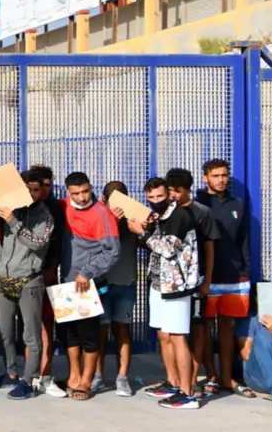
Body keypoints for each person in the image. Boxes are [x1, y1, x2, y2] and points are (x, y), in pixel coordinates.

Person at [129, 177, 201, 410]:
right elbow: (152, 247)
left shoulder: (179, 216)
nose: (155, 201)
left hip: (177, 285)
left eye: (159, 197)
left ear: (169, 194)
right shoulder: (159, 217)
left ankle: (187, 392)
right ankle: (172, 382)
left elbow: (168, 249)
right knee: (163, 334)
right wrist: (146, 228)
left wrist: (142, 233)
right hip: (158, 283)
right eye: (150, 198)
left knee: (179, 337)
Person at [0, 168, 53, 401]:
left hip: (29, 281)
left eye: (36, 190)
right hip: (6, 280)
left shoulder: (45, 216)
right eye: (28, 190)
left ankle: (29, 379)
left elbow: (36, 243)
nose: (33, 194)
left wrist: (13, 222)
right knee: (4, 331)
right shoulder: (10, 210)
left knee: (31, 335)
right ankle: (11, 373)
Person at [56, 172, 119, 401]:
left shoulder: (102, 213)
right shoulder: (61, 207)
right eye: (76, 193)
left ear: (91, 188)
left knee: (89, 335)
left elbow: (112, 251)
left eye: (85, 191)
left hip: (87, 284)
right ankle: (73, 377)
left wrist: (88, 272)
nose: (82, 197)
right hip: (66, 283)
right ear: (67, 192)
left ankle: (86, 381)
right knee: (69, 335)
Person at [196, 159, 252, 396]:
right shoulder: (198, 204)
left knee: (227, 327)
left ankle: (227, 377)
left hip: (234, 277)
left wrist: (244, 270)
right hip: (206, 277)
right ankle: (211, 376)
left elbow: (244, 241)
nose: (220, 179)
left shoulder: (237, 204)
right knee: (206, 327)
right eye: (215, 175)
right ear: (205, 178)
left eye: (224, 175)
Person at [165, 168, 219, 396]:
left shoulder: (201, 212)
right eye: (171, 190)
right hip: (172, 283)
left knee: (197, 330)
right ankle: (175, 379)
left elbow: (209, 247)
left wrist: (207, 280)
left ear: (188, 190)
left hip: (195, 281)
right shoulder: (167, 211)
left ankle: (193, 378)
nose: (173, 195)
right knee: (171, 333)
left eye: (178, 191)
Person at [99, 181, 139, 397]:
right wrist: (111, 219)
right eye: (115, 198)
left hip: (125, 281)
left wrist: (143, 228)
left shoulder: (135, 218)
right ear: (104, 200)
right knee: (100, 330)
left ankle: (122, 377)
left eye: (123, 197)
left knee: (122, 329)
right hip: (102, 282)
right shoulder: (98, 217)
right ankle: (97, 375)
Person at [31, 165, 66, 397]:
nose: (44, 189)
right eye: (39, 185)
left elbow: (60, 240)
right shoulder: (22, 207)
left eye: (47, 185)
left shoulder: (56, 208)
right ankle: (28, 375)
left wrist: (52, 268)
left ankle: (46, 374)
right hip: (23, 276)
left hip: (48, 275)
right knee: (27, 327)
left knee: (46, 326)